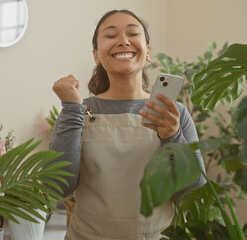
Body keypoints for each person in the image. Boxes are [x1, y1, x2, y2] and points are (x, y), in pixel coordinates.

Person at [49, 9, 206, 240]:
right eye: (111, 36)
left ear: (148, 51)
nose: (123, 41)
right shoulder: (77, 110)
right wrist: (72, 109)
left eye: (132, 33)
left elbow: (194, 193)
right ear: (96, 55)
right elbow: (58, 187)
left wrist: (173, 136)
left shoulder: (174, 113)